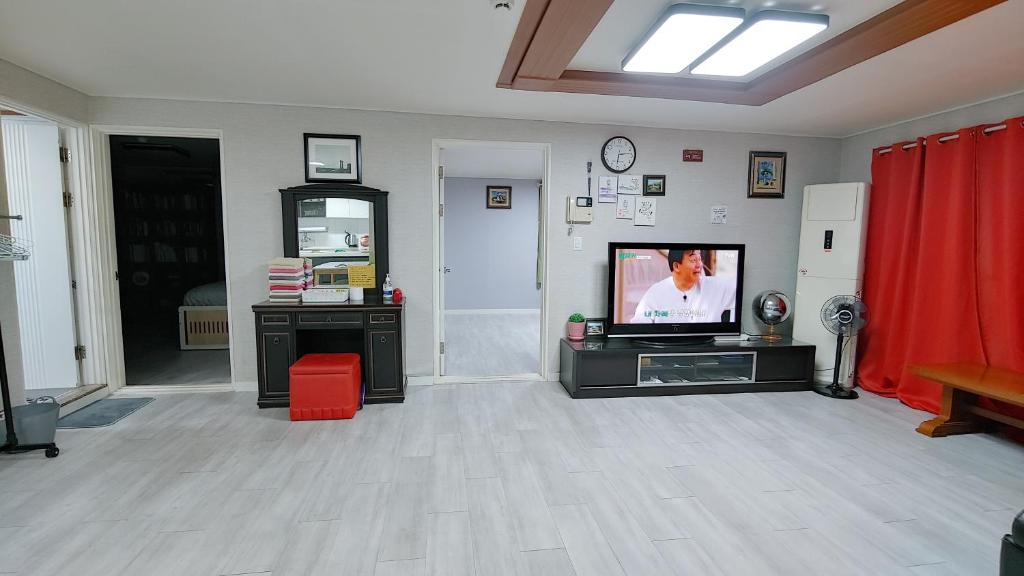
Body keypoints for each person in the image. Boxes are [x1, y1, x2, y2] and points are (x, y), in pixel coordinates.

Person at [631, 249, 735, 323]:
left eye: (700, 259)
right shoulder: (655, 293)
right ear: (676, 266)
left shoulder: (716, 287)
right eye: (693, 260)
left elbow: (739, 291)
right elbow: (639, 324)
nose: (699, 265)